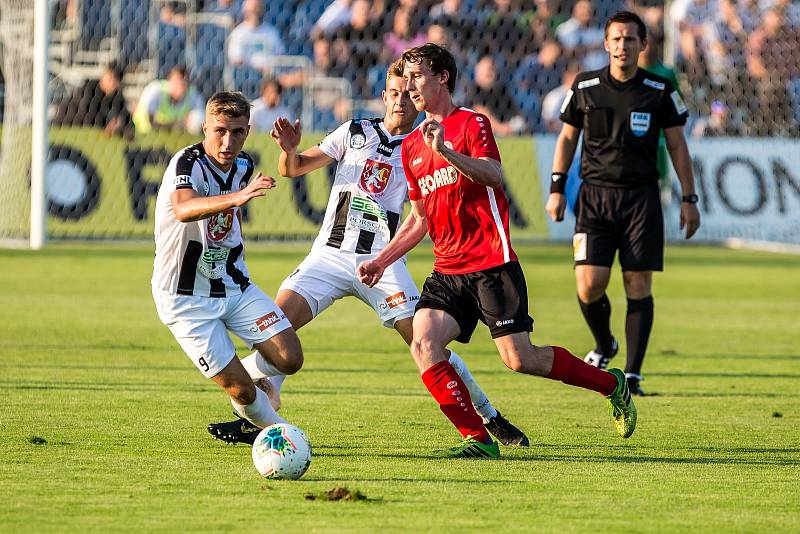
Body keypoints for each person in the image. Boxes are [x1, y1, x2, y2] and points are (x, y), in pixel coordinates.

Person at [208, 61, 529, 448]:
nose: (400, 101)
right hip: (328, 257)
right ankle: (260, 416)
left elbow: (424, 213)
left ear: (417, 97)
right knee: (277, 328)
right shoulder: (355, 131)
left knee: (427, 345)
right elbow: (294, 169)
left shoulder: (423, 145)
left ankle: (488, 415)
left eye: (407, 93)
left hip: (384, 263)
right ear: (384, 96)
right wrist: (289, 150)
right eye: (393, 93)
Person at [358, 44, 636, 459]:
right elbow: (419, 218)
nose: (410, 86)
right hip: (448, 270)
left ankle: (612, 384)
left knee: (520, 359)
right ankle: (478, 438)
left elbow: (494, 175)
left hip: (492, 264)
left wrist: (447, 152)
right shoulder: (411, 146)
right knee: (424, 344)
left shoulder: (472, 124)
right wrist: (382, 260)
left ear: (443, 78)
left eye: (417, 77)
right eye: (407, 78)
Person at [546, 11, 702, 396]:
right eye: (616, 39)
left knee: (637, 283)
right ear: (605, 44)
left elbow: (679, 145)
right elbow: (567, 139)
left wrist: (689, 198)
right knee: (589, 285)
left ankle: (632, 374)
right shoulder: (585, 86)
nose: (622, 46)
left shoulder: (659, 89)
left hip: (641, 199)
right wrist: (556, 187)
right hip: (594, 198)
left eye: (630, 39)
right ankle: (605, 344)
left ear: (642, 45)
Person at [151, 91, 303, 435]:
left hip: (233, 285)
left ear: (247, 131)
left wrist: (286, 152)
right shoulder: (186, 162)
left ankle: (241, 372)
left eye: (237, 132)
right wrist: (237, 197)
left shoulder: (245, 165)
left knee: (290, 357)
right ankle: (282, 435)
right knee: (244, 391)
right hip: (185, 297)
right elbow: (183, 208)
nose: (227, 140)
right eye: (219, 130)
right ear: (204, 127)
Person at [53, 61, 134, 139]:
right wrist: (107, 124)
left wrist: (120, 121)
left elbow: (126, 115)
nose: (112, 81)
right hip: (66, 127)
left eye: (116, 79)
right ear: (105, 74)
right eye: (110, 77)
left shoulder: (116, 95)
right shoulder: (90, 88)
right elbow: (87, 115)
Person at [133, 65, 205, 134]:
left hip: (173, 133)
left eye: (184, 83)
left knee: (198, 117)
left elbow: (202, 118)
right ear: (169, 80)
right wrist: (179, 123)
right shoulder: (156, 90)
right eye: (177, 82)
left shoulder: (192, 93)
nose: (180, 86)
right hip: (143, 131)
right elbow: (151, 123)